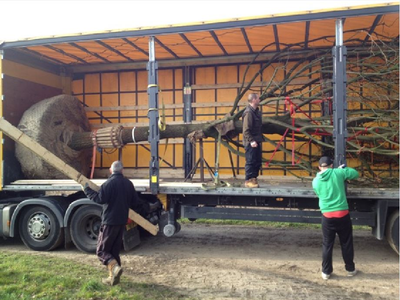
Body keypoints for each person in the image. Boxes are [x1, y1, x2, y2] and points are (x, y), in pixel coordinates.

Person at [83, 160, 141, 286]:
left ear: (111, 170)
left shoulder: (108, 184)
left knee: (102, 251)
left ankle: (114, 268)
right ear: (122, 170)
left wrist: (87, 190)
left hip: (109, 221)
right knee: (114, 251)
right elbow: (135, 202)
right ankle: (113, 278)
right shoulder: (128, 183)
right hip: (121, 221)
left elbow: (99, 199)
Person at [312, 156, 359, 280]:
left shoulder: (315, 181)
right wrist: (342, 170)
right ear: (331, 165)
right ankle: (350, 269)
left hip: (327, 216)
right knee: (346, 243)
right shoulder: (338, 173)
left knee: (327, 244)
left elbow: (319, 193)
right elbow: (355, 174)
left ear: (319, 167)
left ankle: (326, 272)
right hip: (342, 214)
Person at [242, 93, 263, 188]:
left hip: (257, 140)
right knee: (250, 161)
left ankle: (253, 179)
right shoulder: (248, 113)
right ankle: (248, 180)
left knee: (257, 161)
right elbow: (246, 130)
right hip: (251, 142)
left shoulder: (256, 112)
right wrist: (251, 141)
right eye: (258, 98)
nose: (259, 100)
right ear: (254, 100)